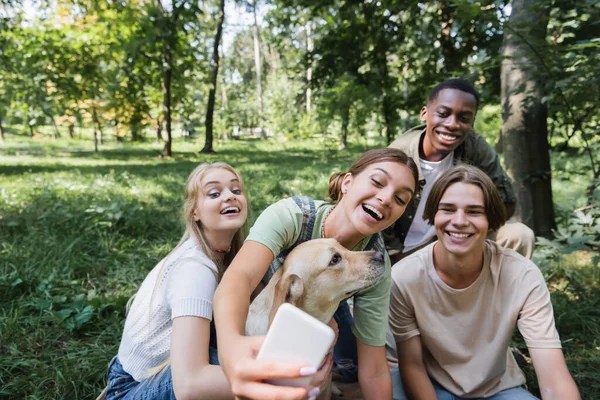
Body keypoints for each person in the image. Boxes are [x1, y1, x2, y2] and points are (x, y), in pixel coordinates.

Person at [213, 148, 419, 400]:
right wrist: (231, 348)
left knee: (350, 365)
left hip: (322, 307)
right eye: (377, 182)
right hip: (257, 304)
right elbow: (239, 279)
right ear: (347, 182)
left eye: (400, 199)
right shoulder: (293, 215)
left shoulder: (377, 262)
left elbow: (374, 369)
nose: (386, 198)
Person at [388, 165, 581, 400]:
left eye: (474, 212)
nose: (459, 221)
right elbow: (412, 366)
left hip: (497, 389)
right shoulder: (403, 277)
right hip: (430, 384)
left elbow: (554, 379)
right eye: (447, 209)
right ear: (433, 216)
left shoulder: (522, 275)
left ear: (491, 221)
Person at [103, 162, 249, 400]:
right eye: (214, 193)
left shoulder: (227, 256)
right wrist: (278, 380)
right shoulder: (195, 270)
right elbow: (190, 386)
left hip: (157, 375)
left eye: (236, 190)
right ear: (195, 212)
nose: (229, 197)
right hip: (131, 388)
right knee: (237, 366)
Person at [386, 78, 534, 263]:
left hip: (448, 239)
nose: (452, 124)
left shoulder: (474, 147)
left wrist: (463, 233)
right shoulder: (398, 156)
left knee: (518, 235)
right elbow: (376, 215)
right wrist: (399, 261)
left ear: (472, 123)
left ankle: (494, 290)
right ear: (425, 114)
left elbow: (506, 202)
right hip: (398, 251)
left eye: (464, 118)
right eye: (443, 113)